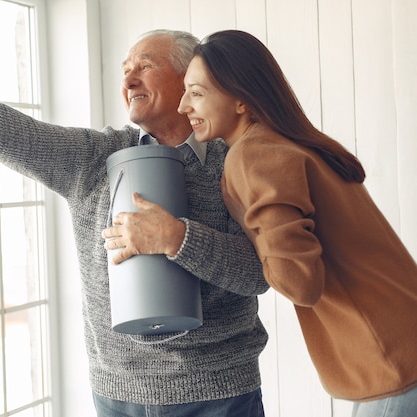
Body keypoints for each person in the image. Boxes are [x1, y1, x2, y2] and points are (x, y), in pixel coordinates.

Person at [0, 29, 269, 417]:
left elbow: (260, 273)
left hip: (221, 393)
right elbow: (12, 132)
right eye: (124, 69)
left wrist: (177, 238)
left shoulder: (238, 164)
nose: (129, 78)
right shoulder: (95, 160)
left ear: (188, 79)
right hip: (118, 396)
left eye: (146, 65)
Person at [170, 29, 416, 416]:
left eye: (197, 93)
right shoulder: (288, 142)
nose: (183, 105)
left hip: (389, 363)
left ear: (240, 100)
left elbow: (299, 282)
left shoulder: (254, 155)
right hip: (401, 345)